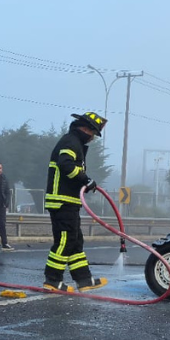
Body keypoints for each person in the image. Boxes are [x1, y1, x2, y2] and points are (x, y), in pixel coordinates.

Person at [43, 112, 109, 292]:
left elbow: (71, 173)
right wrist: (85, 179)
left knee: (75, 241)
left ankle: (84, 280)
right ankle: (52, 280)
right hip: (62, 201)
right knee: (65, 240)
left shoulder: (75, 143)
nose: (93, 138)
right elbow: (66, 164)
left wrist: (84, 183)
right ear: (86, 129)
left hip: (69, 201)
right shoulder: (71, 142)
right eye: (93, 134)